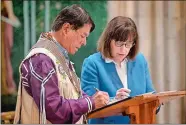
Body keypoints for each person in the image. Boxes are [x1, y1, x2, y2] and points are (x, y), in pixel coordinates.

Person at [14, 4, 109, 124]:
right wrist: (90, 102)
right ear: (66, 29)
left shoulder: (56, 55)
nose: (84, 42)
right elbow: (54, 110)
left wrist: (94, 99)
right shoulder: (42, 59)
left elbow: (74, 93)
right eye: (82, 36)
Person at [81, 16, 155, 124]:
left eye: (128, 44)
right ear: (108, 40)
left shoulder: (139, 60)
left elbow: (151, 94)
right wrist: (115, 101)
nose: (123, 49)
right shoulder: (92, 63)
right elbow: (88, 105)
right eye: (119, 43)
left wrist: (155, 103)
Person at [1, 0, 20, 95]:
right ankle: (8, 86)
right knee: (4, 54)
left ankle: (7, 86)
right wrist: (10, 14)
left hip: (4, 17)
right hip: (4, 19)